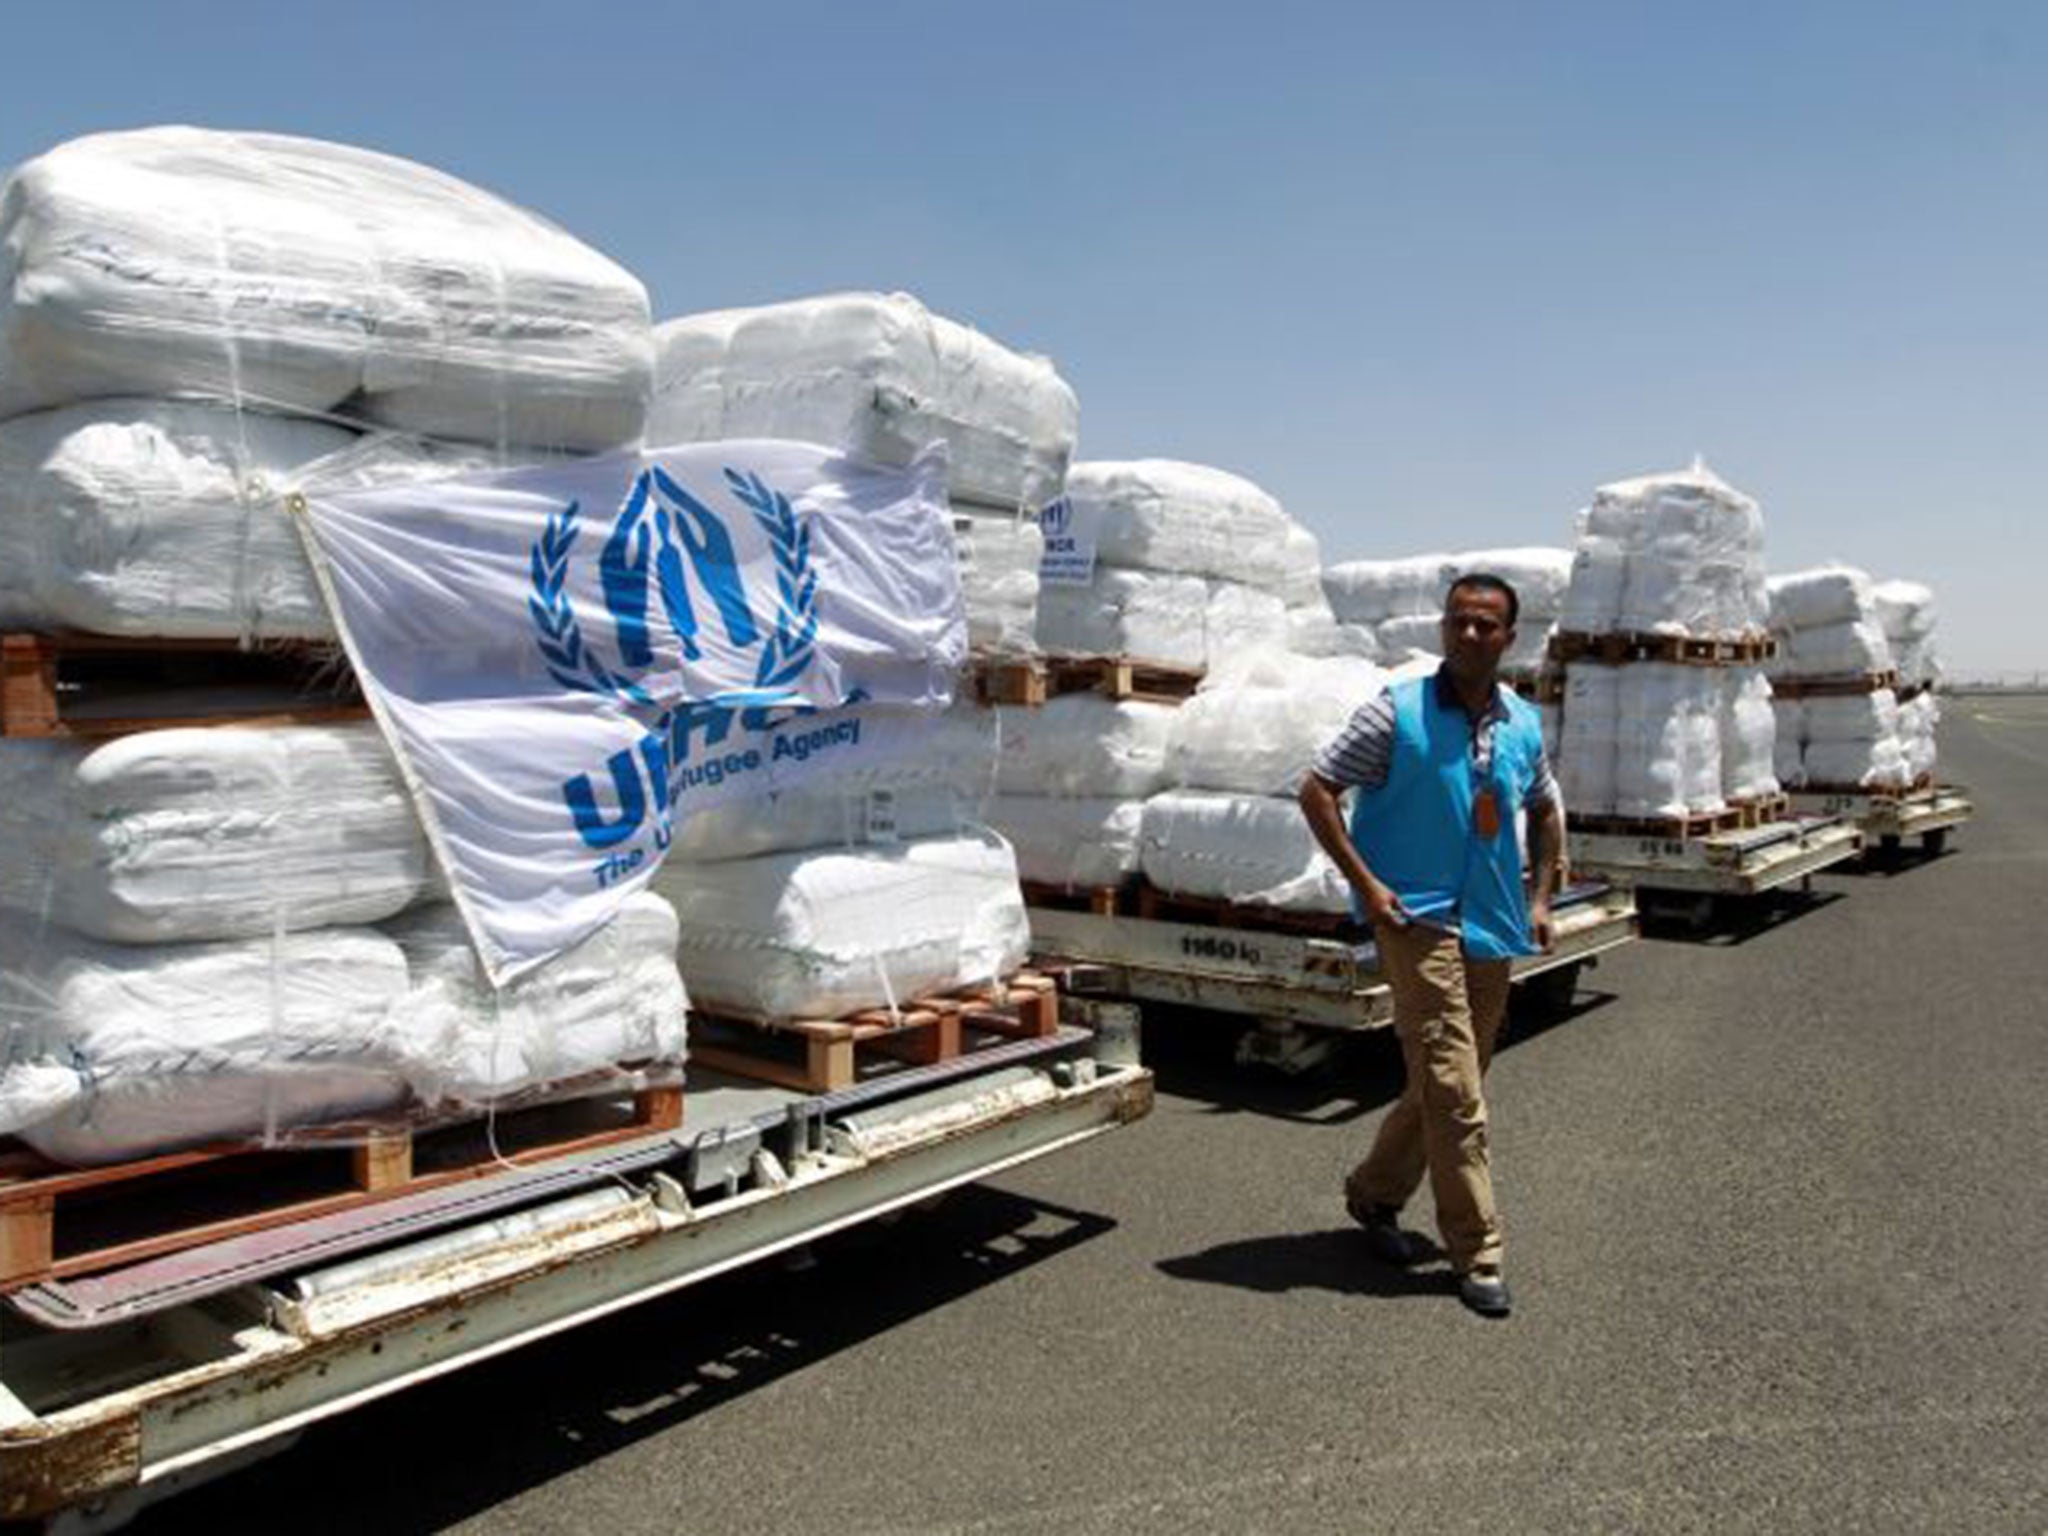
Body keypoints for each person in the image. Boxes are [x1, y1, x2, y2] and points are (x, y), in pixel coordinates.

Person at [1297, 573, 1566, 1318]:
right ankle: (1477, 1250)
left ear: (1510, 638)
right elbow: (1317, 788)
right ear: (1444, 629)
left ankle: (1373, 1195)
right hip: (1416, 922)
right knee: (1455, 1089)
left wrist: (1542, 896)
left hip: (1492, 921)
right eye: (1459, 623)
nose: (1470, 635)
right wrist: (1368, 886)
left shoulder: (1519, 722)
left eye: (1486, 626)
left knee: (1452, 1082)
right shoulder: (1397, 711)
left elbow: (1544, 808)